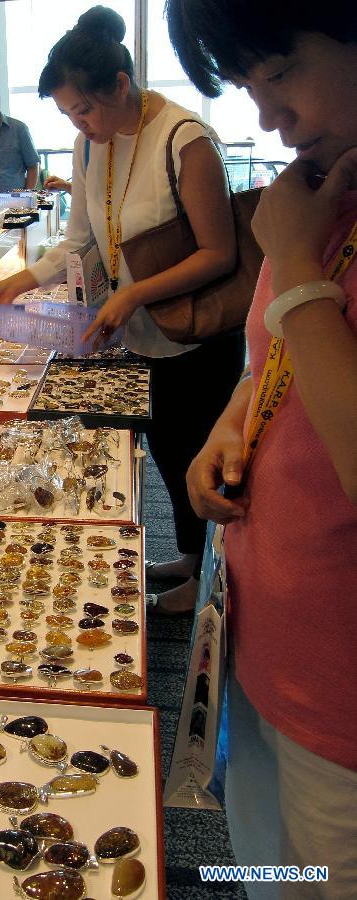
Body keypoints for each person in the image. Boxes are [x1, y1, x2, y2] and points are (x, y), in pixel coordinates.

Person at [169, 0, 357, 894]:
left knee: (317, 876)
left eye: (279, 72)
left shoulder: (299, 222)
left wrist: (298, 260)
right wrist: (232, 422)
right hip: (255, 643)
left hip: (342, 702)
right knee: (263, 861)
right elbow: (267, 358)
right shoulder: (323, 189)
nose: (267, 115)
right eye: (248, 85)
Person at [0, 6, 242, 616]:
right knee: (170, 454)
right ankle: (188, 558)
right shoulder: (89, 145)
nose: (80, 123)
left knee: (203, 458)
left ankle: (213, 588)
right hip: (141, 336)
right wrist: (16, 282)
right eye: (69, 114)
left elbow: (219, 252)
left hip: (196, 338)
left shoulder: (186, 139)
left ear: (121, 85)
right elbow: (81, 244)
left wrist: (131, 293)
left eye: (86, 109)